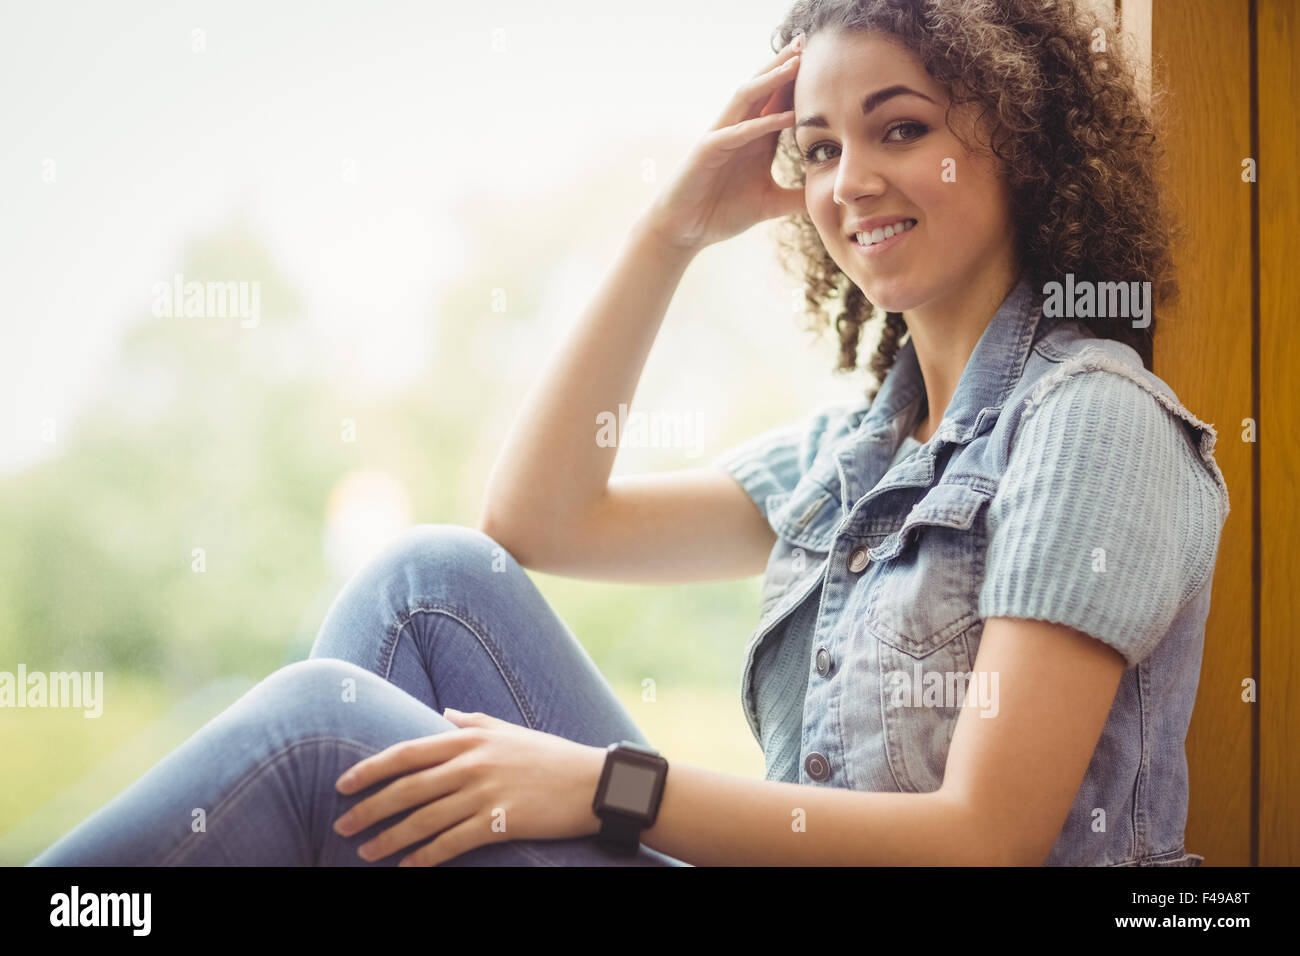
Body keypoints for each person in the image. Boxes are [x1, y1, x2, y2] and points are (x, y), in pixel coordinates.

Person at [30, 0, 1229, 867]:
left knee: (316, 734)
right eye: (816, 146)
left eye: (899, 127)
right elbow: (536, 519)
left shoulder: (1089, 420)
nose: (848, 177)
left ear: (1015, 138)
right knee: (422, 585)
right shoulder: (859, 450)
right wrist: (670, 229)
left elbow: (986, 840)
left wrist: (603, 789)